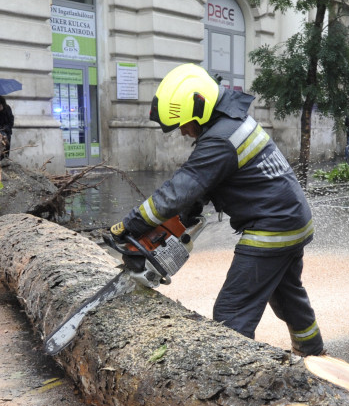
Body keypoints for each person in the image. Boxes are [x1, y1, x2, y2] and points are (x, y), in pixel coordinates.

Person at [112, 63, 325, 356]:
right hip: (293, 220)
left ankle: (233, 377)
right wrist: (186, 213)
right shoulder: (232, 125)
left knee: (231, 312)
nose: (184, 132)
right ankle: (312, 352)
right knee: (286, 294)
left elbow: (179, 190)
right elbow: (210, 182)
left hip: (272, 227)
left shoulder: (221, 139)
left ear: (200, 110)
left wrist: (132, 224)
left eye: (185, 124)